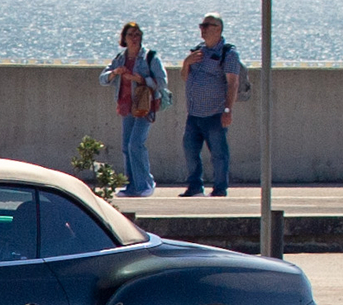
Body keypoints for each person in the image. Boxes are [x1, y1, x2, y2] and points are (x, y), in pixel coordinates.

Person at [177, 12, 244, 197]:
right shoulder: (198, 51)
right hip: (194, 113)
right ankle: (194, 186)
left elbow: (233, 83)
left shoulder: (228, 54)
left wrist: (228, 110)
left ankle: (220, 188)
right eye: (202, 26)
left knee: (218, 153)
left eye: (207, 26)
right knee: (190, 150)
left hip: (215, 113)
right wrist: (186, 63)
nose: (203, 29)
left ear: (219, 29)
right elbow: (185, 77)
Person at [99, 20, 167, 198]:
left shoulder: (149, 57)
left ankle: (145, 183)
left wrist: (141, 79)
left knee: (136, 144)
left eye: (137, 35)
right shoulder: (121, 58)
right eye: (131, 35)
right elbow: (103, 78)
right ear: (124, 38)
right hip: (126, 107)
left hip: (144, 106)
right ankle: (131, 186)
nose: (134, 38)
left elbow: (162, 81)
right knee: (126, 146)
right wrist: (115, 73)